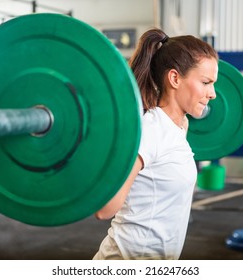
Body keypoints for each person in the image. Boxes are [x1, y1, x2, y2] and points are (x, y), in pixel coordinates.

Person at [93, 28, 219, 260]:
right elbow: (105, 208)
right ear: (174, 78)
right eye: (205, 82)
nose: (212, 93)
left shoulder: (180, 126)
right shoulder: (151, 130)